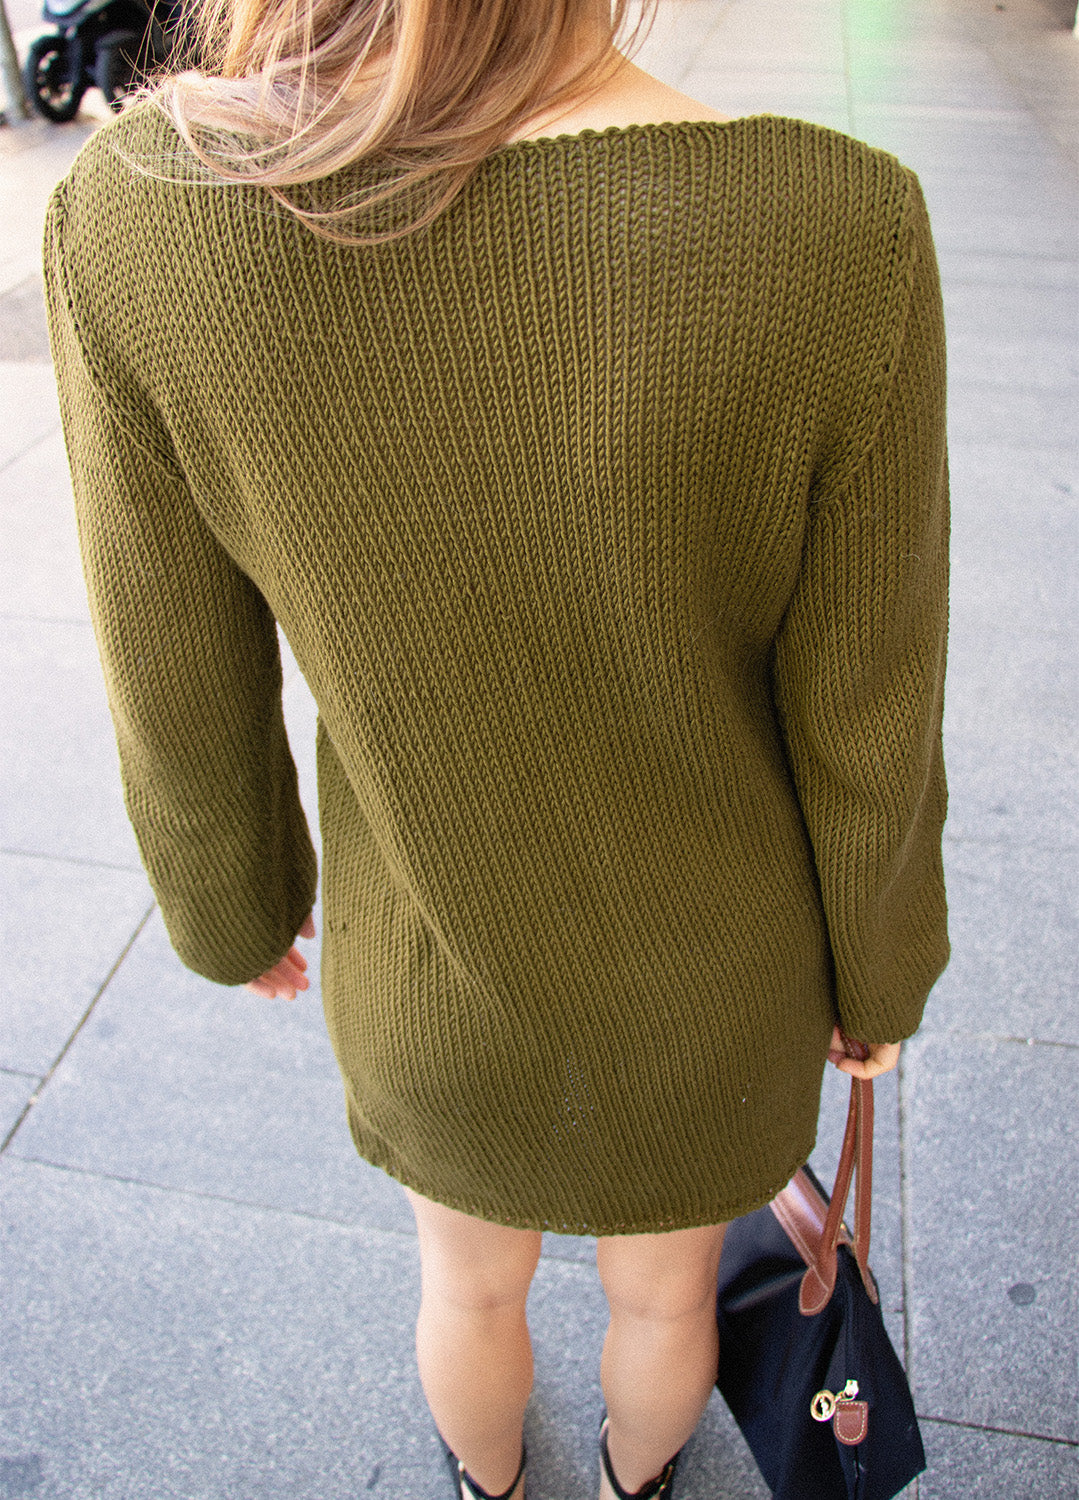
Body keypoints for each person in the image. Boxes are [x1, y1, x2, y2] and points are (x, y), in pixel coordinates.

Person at [43, 0, 949, 1493]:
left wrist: (233, 905)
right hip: (717, 981)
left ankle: (490, 1487)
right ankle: (635, 1484)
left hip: (431, 967)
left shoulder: (140, 222)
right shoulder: (839, 226)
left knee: (465, 1291)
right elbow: (872, 696)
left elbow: (172, 665)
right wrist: (881, 961)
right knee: (666, 1299)